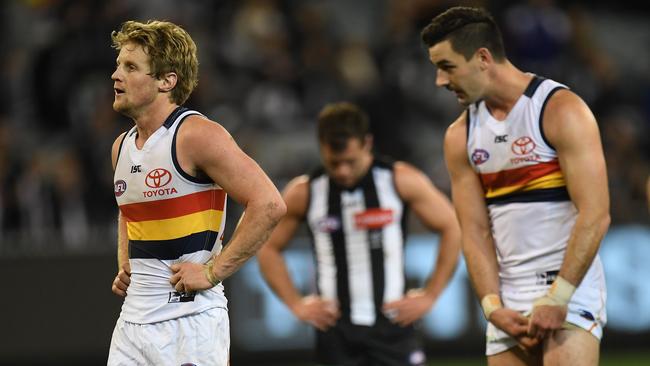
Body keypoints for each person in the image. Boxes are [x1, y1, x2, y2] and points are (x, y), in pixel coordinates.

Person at [420, 6, 610, 366]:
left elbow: (595, 214)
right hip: (509, 302)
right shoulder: (459, 136)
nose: (440, 82)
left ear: (483, 58)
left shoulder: (560, 110)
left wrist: (559, 297)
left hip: (570, 291)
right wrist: (491, 305)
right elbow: (474, 231)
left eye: (446, 67)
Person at [107, 20, 286, 365]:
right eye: (118, 66)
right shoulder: (121, 147)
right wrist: (125, 260)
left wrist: (211, 272)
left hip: (188, 324)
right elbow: (128, 208)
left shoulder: (196, 135)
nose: (116, 75)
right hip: (131, 325)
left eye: (130, 67)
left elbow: (269, 204)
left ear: (166, 80)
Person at [257, 101, 461, 365]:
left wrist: (431, 294)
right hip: (335, 333)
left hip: (393, 327)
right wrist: (296, 304)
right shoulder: (305, 192)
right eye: (334, 163)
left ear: (367, 143)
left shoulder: (400, 180)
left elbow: (451, 227)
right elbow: (268, 247)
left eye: (350, 162)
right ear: (321, 147)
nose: (343, 171)